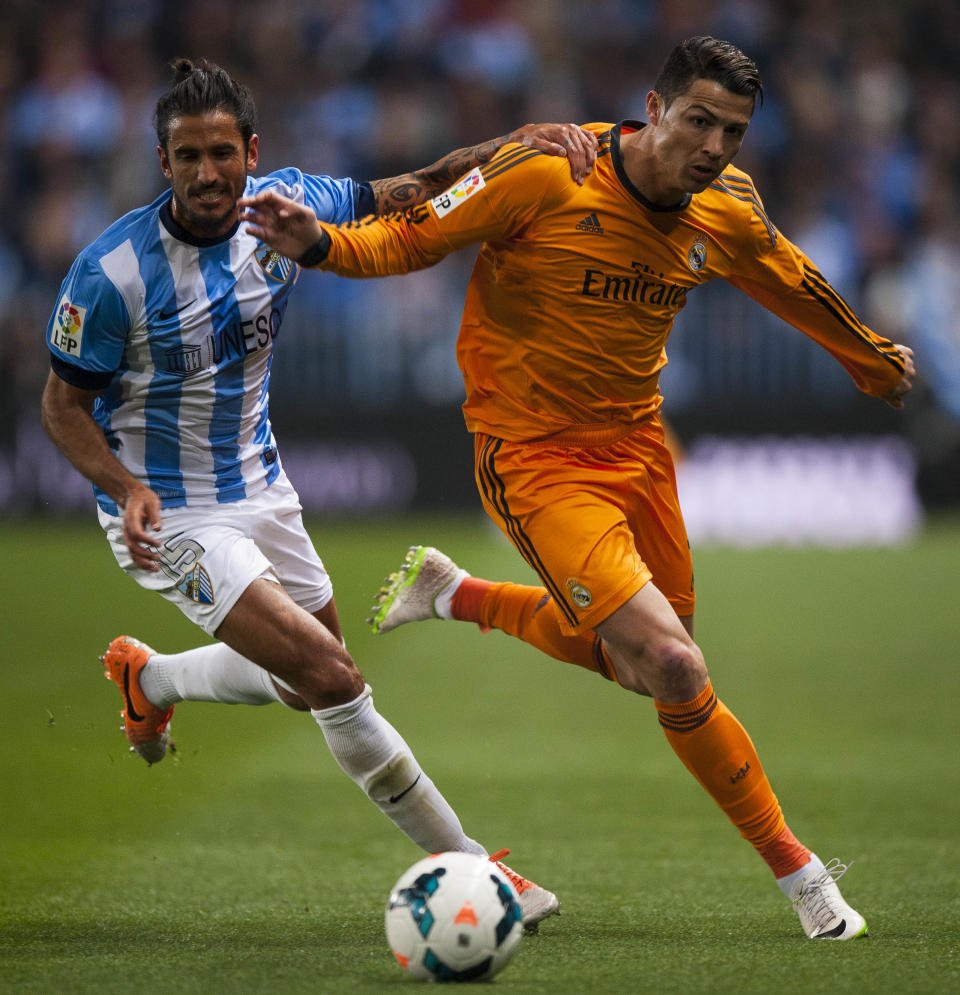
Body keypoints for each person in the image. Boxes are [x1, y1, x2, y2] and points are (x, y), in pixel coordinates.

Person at [238, 35, 916, 941]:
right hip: (532, 454)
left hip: (637, 449)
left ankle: (459, 595)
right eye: (700, 121)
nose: (713, 147)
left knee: (645, 670)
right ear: (656, 106)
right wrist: (320, 242)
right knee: (675, 664)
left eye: (734, 132)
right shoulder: (548, 169)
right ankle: (804, 879)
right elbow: (412, 236)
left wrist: (869, 361)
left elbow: (788, 279)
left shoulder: (728, 208)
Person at [40, 56, 601, 932]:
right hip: (169, 512)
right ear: (163, 162)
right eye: (185, 156)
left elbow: (414, 190)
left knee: (305, 684)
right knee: (332, 676)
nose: (206, 173)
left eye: (221, 152)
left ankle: (148, 678)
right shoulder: (109, 275)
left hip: (262, 488)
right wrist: (124, 486)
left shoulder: (290, 205)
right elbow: (61, 405)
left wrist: (516, 147)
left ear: (251, 152)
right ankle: (476, 869)